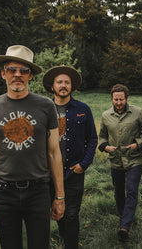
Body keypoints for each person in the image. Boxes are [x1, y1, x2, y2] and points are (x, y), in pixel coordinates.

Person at [0, 45, 65, 248]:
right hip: (4, 192)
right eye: (12, 70)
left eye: (24, 71)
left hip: (38, 191)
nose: (18, 75)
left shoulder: (46, 106)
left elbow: (54, 153)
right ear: (3, 74)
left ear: (31, 76)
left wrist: (59, 196)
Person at [42, 65, 98, 249]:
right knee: (57, 212)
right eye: (59, 82)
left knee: (72, 214)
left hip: (74, 171)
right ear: (52, 87)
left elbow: (92, 138)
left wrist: (84, 163)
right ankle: (66, 236)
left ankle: (71, 244)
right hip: (48, 172)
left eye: (67, 82)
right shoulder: (43, 110)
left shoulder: (83, 109)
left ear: (71, 87)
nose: (63, 85)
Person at [98, 84, 142, 241]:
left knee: (131, 190)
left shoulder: (138, 112)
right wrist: (105, 146)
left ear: (127, 98)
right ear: (111, 98)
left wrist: (138, 144)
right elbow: (102, 136)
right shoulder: (105, 116)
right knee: (119, 191)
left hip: (134, 158)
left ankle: (125, 226)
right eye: (116, 99)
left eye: (121, 99)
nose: (118, 102)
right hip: (116, 159)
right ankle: (122, 216)